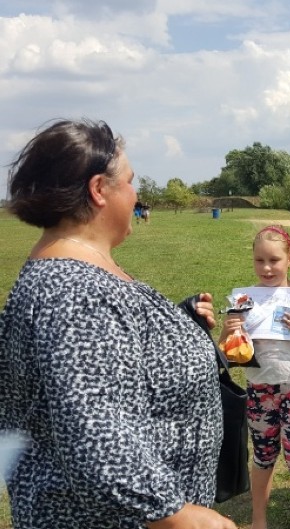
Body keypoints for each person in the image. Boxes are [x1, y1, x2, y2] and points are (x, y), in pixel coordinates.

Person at [0, 118, 236, 529]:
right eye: (129, 181)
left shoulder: (81, 275)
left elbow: (102, 365)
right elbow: (98, 441)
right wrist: (183, 518)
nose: (136, 193)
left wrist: (175, 326)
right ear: (98, 190)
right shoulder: (74, 292)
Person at [219, 225, 290, 529]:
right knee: (263, 456)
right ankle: (259, 520)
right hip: (258, 388)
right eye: (259, 261)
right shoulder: (241, 299)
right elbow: (226, 352)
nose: (267, 268)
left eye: (274, 260)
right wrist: (229, 332)